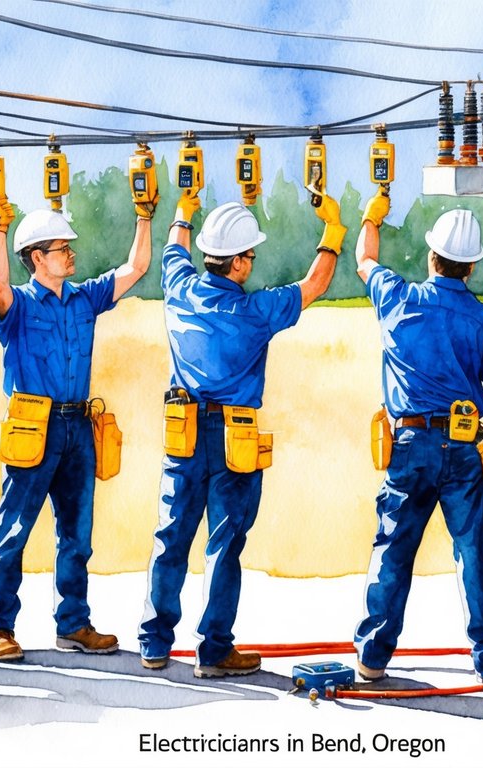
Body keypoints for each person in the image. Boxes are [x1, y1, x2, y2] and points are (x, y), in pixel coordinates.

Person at [137, 190, 342, 678]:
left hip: (183, 432)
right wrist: (333, 231)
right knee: (224, 543)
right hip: (234, 438)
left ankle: (154, 643)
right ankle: (214, 652)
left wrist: (183, 207)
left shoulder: (179, 287)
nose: (252, 262)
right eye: (250, 254)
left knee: (171, 535)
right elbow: (314, 284)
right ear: (239, 263)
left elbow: (172, 248)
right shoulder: (256, 312)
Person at [351, 202, 483, 688]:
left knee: (393, 550)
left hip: (411, 442)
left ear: (431, 256)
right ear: (472, 266)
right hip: (466, 447)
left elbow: (364, 259)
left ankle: (372, 658)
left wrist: (373, 217)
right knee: (474, 556)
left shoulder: (397, 297)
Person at [0, 201, 151, 661]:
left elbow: (137, 267)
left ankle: (73, 624)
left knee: (77, 534)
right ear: (37, 258)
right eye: (62, 248)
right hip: (32, 425)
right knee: (13, 529)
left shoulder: (84, 297)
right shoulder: (16, 304)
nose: (72, 254)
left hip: (79, 425)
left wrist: (143, 216)